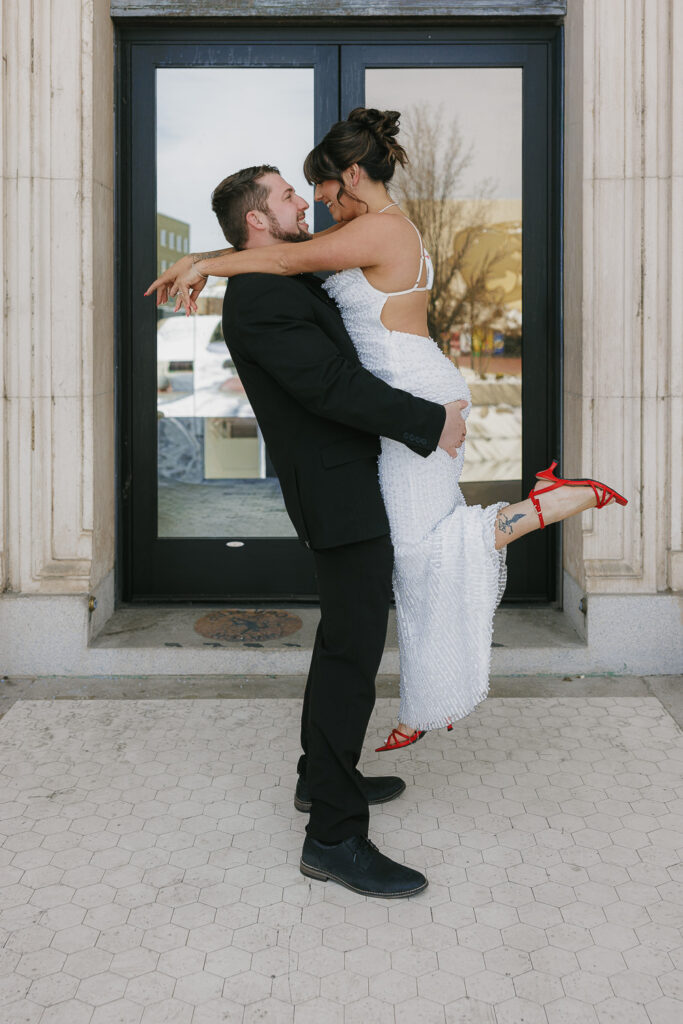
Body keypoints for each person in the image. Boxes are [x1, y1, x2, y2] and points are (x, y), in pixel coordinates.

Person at [147, 163, 471, 899]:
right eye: (287, 195)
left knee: (342, 645)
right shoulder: (263, 296)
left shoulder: (275, 276)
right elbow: (329, 386)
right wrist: (431, 423)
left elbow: (314, 290)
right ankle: (333, 836)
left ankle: (317, 776)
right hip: (337, 492)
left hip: (349, 481)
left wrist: (205, 261)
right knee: (351, 654)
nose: (303, 201)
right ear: (257, 219)